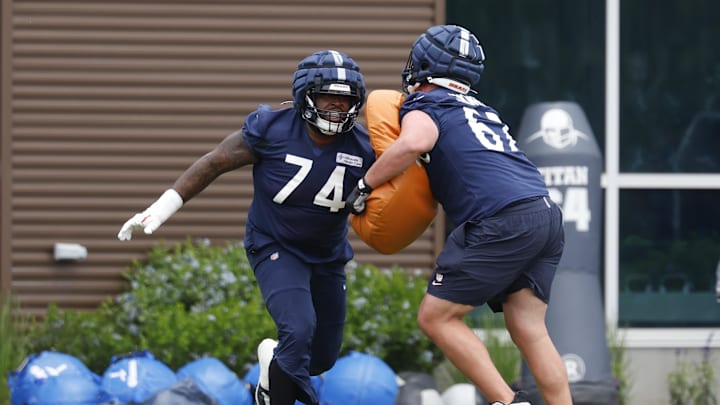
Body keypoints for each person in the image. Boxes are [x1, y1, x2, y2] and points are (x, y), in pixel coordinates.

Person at [118, 49, 374, 405]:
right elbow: (213, 163)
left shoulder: (365, 146)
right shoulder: (271, 129)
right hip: (275, 245)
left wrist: (370, 198)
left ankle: (272, 367)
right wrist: (161, 209)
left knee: (322, 356)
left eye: (345, 100)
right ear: (305, 96)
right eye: (327, 96)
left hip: (328, 255)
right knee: (298, 332)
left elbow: (390, 192)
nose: (336, 106)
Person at [347, 25, 573, 405]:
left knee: (435, 317)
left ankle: (509, 401)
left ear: (423, 65)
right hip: (543, 211)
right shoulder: (482, 109)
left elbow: (414, 143)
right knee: (528, 327)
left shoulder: (428, 104)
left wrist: (365, 185)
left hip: (501, 218)